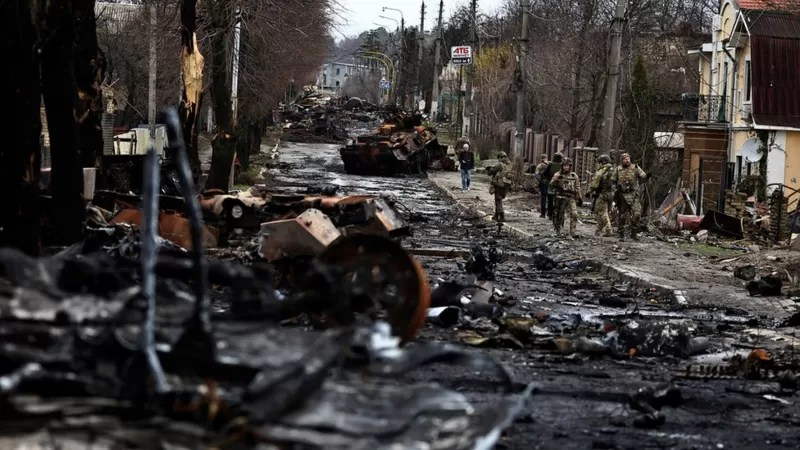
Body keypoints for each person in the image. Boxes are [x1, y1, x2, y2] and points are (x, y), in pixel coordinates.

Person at [610, 152, 648, 241]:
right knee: (622, 216)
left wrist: (647, 176)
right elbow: (613, 181)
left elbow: (643, 176)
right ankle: (621, 234)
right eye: (625, 159)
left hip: (634, 195)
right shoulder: (618, 169)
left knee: (637, 214)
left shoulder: (635, 167)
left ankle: (634, 233)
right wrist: (615, 189)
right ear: (622, 160)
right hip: (623, 196)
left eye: (628, 159)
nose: (627, 160)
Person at [550, 157, 582, 239]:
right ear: (562, 166)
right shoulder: (558, 175)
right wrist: (555, 179)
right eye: (565, 166)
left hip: (570, 198)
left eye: (568, 166)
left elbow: (577, 187)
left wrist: (579, 197)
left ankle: (573, 232)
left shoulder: (574, 176)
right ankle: (558, 230)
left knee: (574, 214)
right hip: (560, 198)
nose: (566, 167)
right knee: (559, 215)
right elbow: (551, 185)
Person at [589, 154, 614, 236]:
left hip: (602, 194)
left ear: (602, 162)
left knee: (602, 212)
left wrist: (589, 192)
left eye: (599, 162)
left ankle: (608, 230)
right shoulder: (613, 170)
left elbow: (594, 184)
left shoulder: (601, 171)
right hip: (611, 194)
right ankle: (598, 230)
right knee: (604, 211)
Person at [487, 151, 512, 222]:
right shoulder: (509, 164)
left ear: (500, 158)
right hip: (506, 184)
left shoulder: (500, 164)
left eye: (498, 158)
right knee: (499, 199)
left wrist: (488, 168)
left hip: (499, 184)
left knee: (498, 200)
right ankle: (496, 215)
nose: (498, 160)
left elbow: (491, 171)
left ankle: (501, 216)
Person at [543, 152, 563, 220]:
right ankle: (559, 214)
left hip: (551, 183)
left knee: (550, 200)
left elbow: (545, 173)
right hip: (560, 185)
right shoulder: (562, 165)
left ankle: (550, 214)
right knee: (560, 200)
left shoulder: (551, 164)